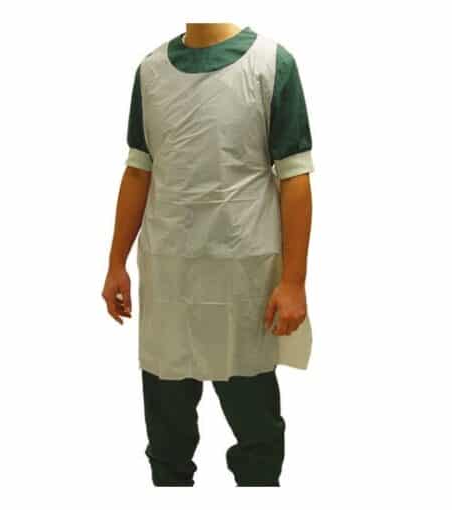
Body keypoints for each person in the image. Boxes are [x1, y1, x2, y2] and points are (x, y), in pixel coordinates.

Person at [102, 23, 314, 487]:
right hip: (169, 278)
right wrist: (116, 262)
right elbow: (139, 169)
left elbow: (295, 175)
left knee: (257, 433)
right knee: (167, 438)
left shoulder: (270, 65)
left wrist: (294, 281)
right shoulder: (151, 71)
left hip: (243, 280)